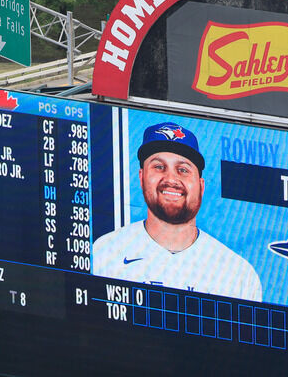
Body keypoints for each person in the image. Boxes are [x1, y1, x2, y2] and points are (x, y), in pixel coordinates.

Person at [92, 121, 263, 301]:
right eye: (159, 167)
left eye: (183, 170)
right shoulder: (106, 251)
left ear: (201, 186)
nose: (171, 178)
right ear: (142, 178)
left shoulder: (238, 273)